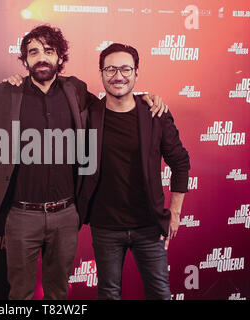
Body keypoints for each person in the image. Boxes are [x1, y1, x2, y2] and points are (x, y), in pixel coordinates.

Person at [0, 24, 167, 300]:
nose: (41, 57)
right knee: (20, 293)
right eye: (33, 52)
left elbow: (113, 103)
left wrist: (146, 98)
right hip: (21, 216)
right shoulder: (6, 94)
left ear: (60, 58)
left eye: (49, 51)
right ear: (24, 60)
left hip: (66, 214)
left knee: (59, 293)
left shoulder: (76, 90)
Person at [78, 43, 190, 300]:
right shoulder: (89, 114)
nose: (118, 76)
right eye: (110, 69)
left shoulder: (154, 113)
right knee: (109, 294)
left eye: (126, 69)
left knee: (160, 293)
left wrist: (174, 213)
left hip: (149, 224)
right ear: (101, 74)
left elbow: (180, 163)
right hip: (105, 226)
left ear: (137, 73)